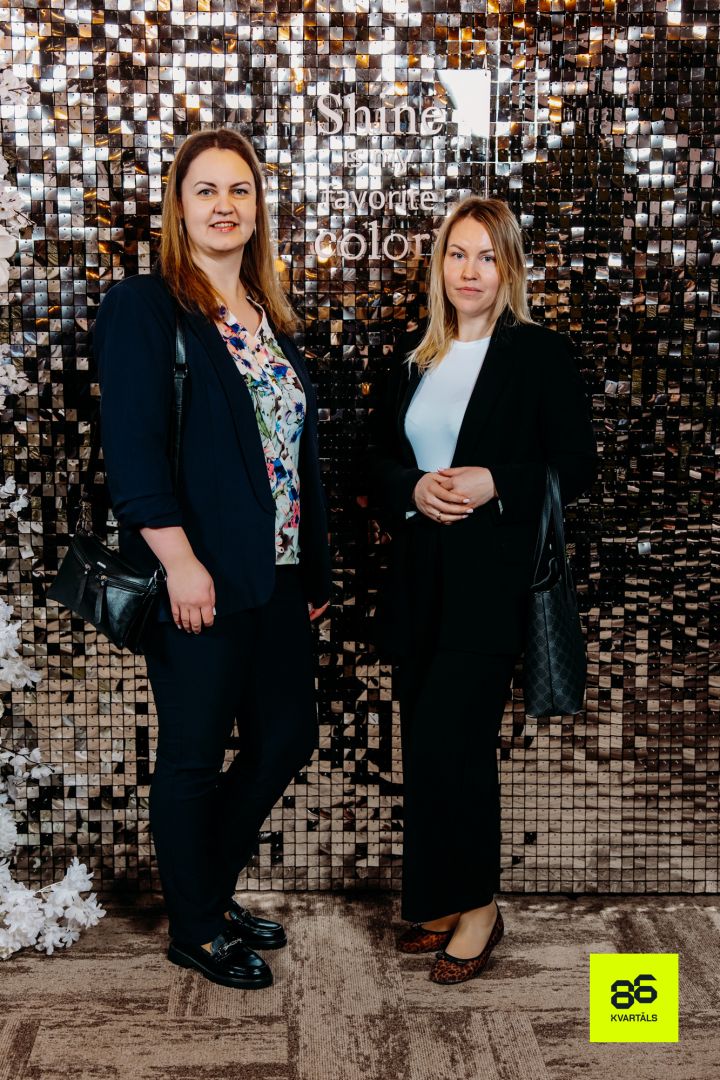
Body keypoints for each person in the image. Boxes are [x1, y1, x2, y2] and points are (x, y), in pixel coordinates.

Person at [94, 128, 330, 990]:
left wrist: (315, 574)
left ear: (258, 207)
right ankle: (195, 928)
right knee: (193, 755)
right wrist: (180, 562)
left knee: (286, 737)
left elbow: (294, 461)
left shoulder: (269, 319)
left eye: (240, 190)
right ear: (179, 207)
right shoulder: (147, 307)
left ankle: (206, 891)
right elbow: (132, 453)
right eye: (206, 190)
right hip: (198, 575)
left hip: (279, 576)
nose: (225, 205)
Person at [369, 195, 597, 984]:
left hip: (490, 587)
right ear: (440, 266)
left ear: (509, 270)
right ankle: (440, 900)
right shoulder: (415, 358)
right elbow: (374, 462)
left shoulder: (538, 355)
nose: (470, 271)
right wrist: (410, 489)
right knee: (426, 746)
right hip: (418, 584)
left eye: (487, 257)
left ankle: (480, 909)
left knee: (458, 744)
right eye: (457, 255)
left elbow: (579, 465)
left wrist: (497, 480)